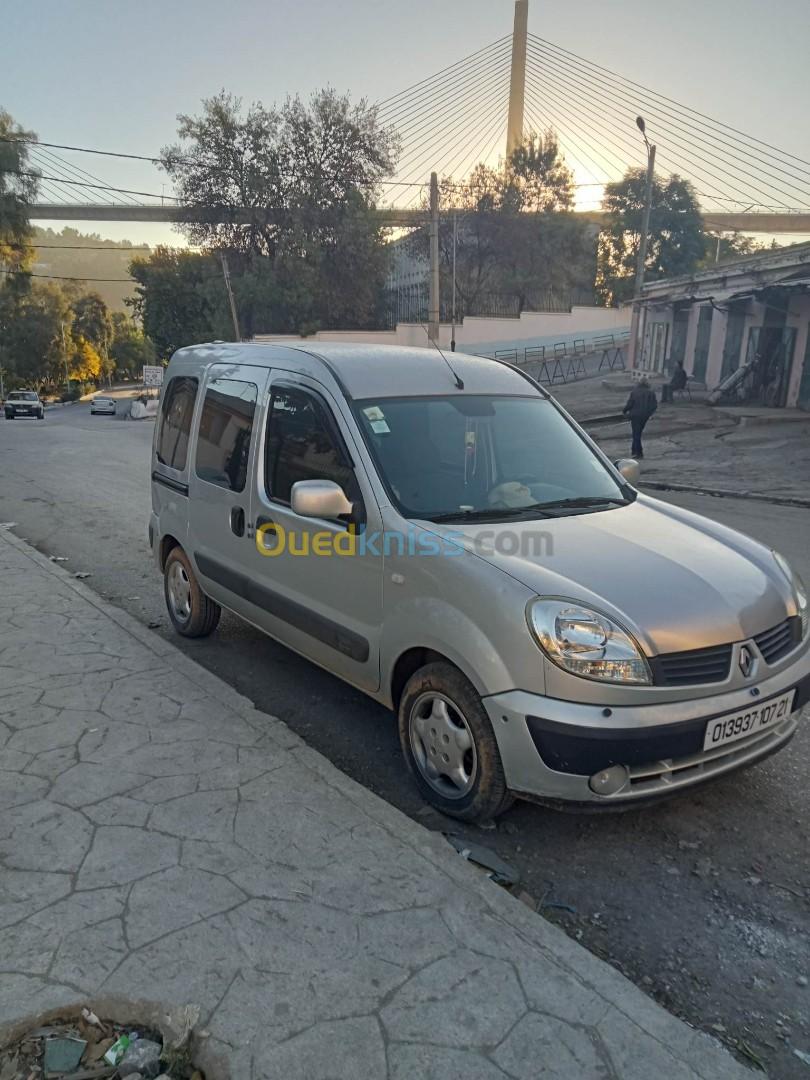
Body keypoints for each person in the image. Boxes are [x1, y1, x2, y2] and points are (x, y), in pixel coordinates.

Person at [622, 378, 658, 459]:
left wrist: (624, 411)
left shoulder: (634, 392)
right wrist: (649, 414)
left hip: (635, 415)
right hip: (644, 416)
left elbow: (630, 404)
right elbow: (654, 405)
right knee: (638, 433)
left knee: (636, 434)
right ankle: (636, 451)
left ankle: (637, 453)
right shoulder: (651, 393)